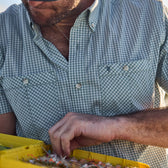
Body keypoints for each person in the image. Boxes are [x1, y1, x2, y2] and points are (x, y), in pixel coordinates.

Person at [0, 0, 168, 167]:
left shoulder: (151, 14)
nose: (33, 2)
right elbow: (5, 144)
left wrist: (118, 126)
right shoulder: (3, 31)